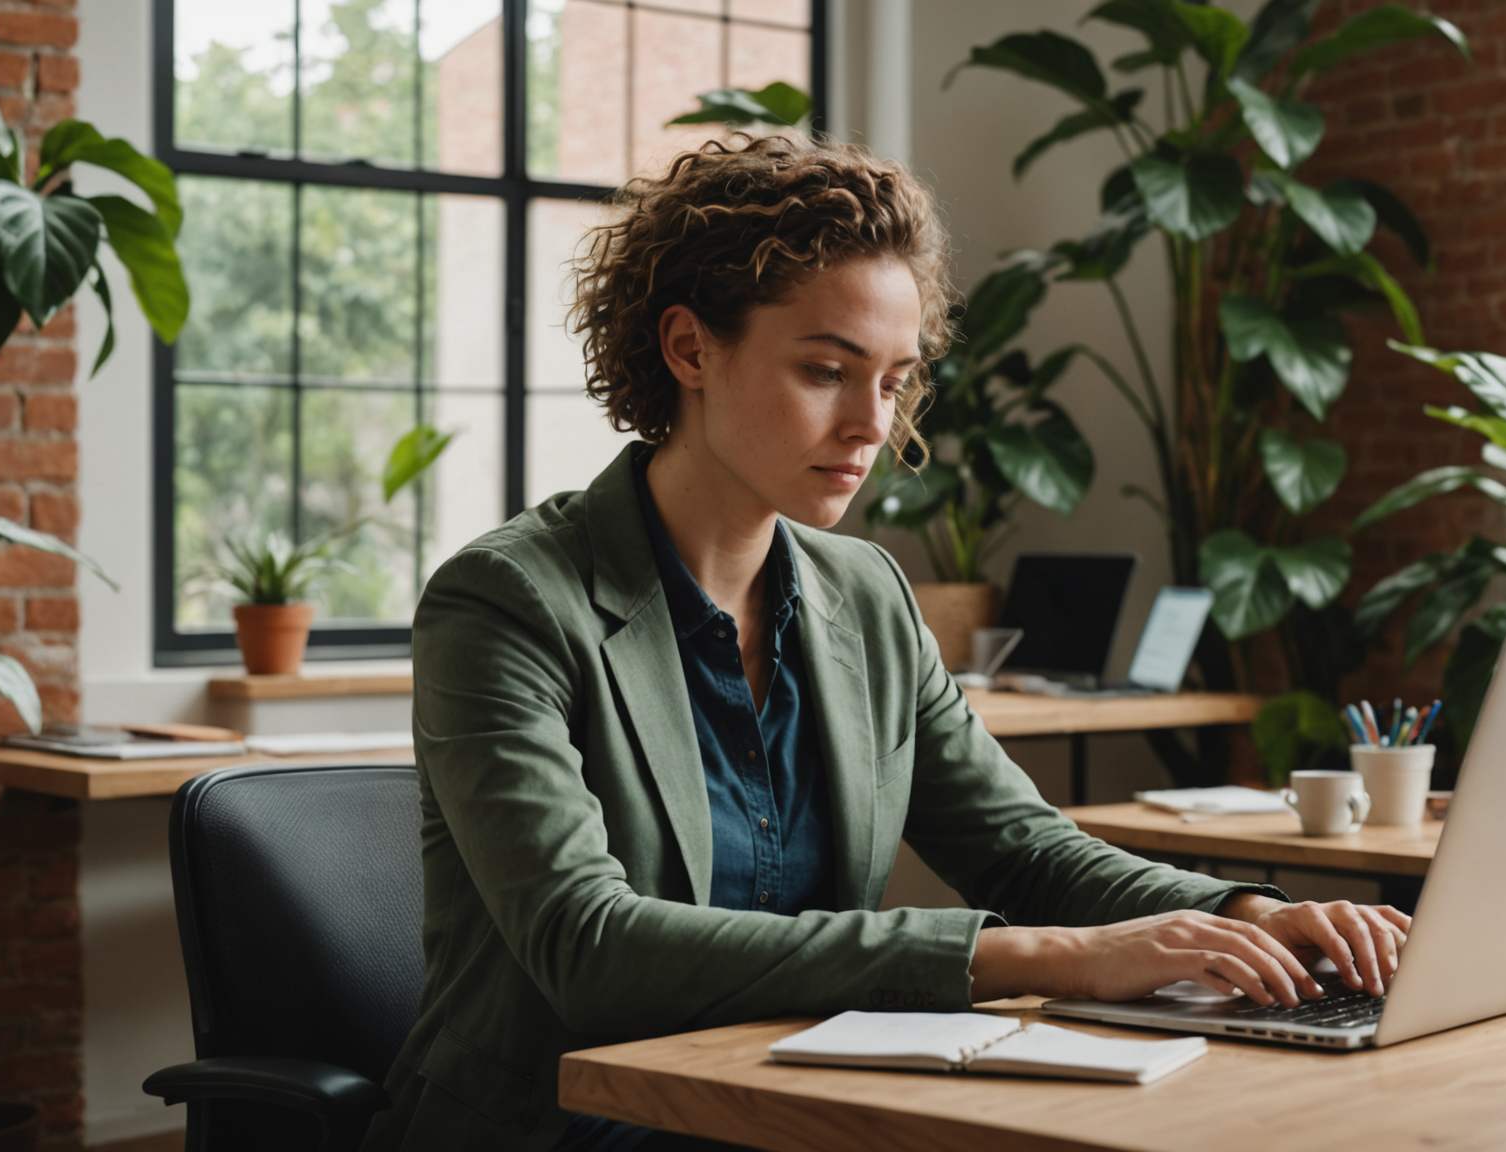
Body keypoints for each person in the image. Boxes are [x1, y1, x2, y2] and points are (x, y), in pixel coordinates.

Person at [358, 134, 1411, 1152]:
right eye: (827, 369)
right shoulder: (507, 601)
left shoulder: (864, 593)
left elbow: (1022, 848)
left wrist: (1243, 913)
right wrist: (1060, 958)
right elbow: (591, 948)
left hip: (796, 1095)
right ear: (689, 349)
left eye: (896, 377)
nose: (875, 422)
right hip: (566, 1119)